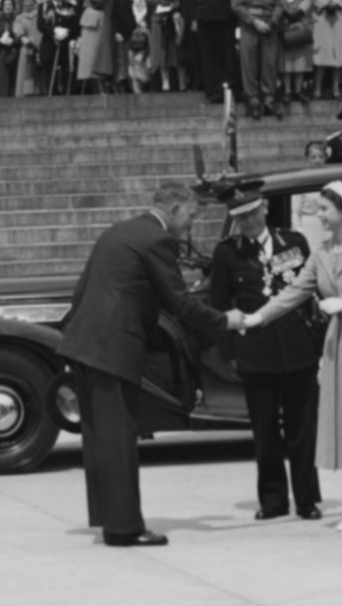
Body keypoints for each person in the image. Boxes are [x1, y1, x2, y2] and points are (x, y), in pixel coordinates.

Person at [55, 181, 233, 546]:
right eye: (190, 216)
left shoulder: (118, 231)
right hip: (112, 349)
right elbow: (180, 303)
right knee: (120, 438)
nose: (190, 225)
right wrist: (227, 321)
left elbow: (83, 289)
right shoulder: (158, 240)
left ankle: (108, 514)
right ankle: (124, 529)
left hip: (86, 344)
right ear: (173, 210)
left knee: (101, 438)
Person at [245, 181, 342, 531]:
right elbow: (294, 291)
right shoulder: (321, 253)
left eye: (324, 208)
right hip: (337, 345)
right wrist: (258, 317)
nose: (319, 215)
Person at [205, 187, 321, 521]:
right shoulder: (228, 253)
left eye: (253, 213)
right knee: (265, 430)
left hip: (297, 347)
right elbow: (220, 304)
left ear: (266, 209)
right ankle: (272, 499)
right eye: (240, 217)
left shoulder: (294, 242)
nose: (248, 222)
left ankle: (307, 498)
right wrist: (229, 353)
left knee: (303, 427)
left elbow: (309, 293)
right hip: (255, 349)